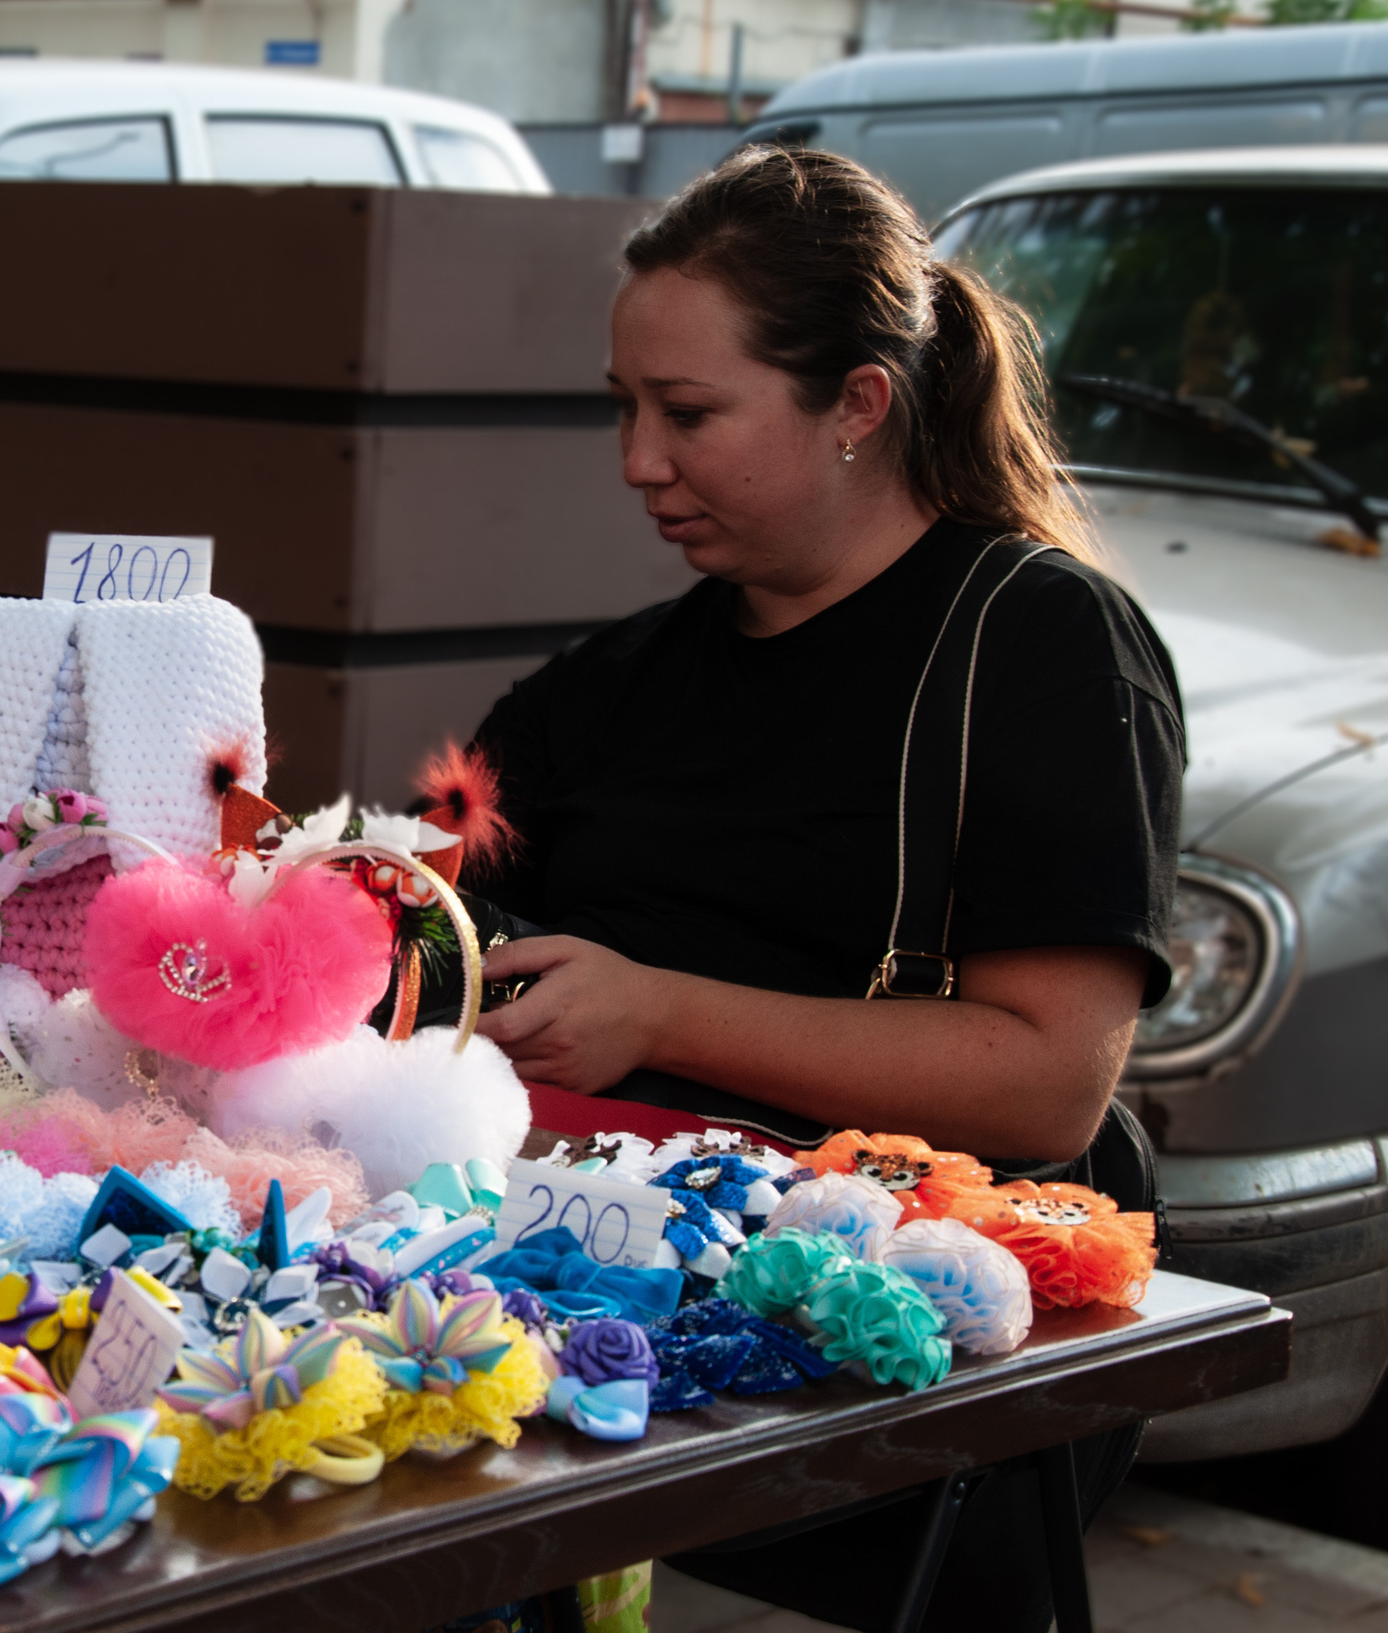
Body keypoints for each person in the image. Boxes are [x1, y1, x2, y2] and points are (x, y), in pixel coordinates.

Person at [470, 146, 1183, 1166]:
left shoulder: (1041, 646)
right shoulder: (603, 685)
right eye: (625, 406)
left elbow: (1049, 1087)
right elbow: (421, 912)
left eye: (687, 413)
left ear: (857, 403)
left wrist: (658, 1017)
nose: (639, 461)